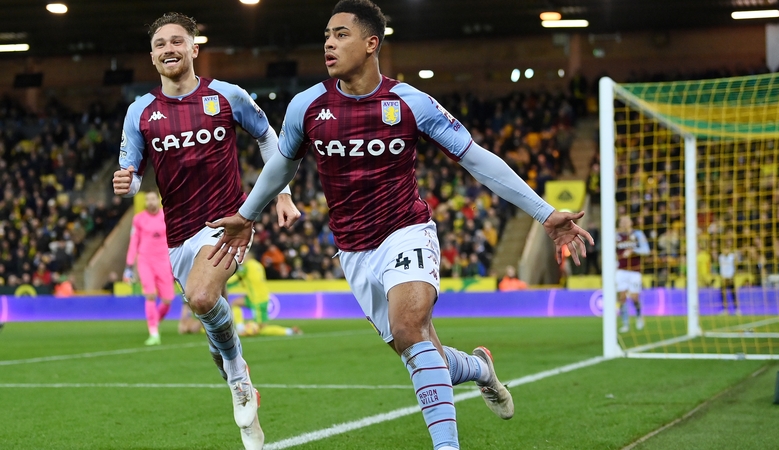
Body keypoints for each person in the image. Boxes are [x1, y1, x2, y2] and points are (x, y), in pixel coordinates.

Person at [206, 1, 593, 449]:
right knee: (424, 355)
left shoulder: (411, 103)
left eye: (342, 34)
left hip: (405, 230)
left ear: (372, 44)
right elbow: (282, 167)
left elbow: (476, 159)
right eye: (327, 35)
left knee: (410, 328)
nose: (329, 43)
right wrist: (247, 213)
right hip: (353, 251)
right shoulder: (306, 106)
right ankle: (481, 368)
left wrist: (544, 212)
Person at [111, 12, 300, 450]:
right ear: (153, 56)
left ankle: (238, 379)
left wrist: (282, 194)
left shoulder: (225, 96)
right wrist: (127, 183)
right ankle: (239, 380)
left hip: (227, 223)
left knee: (200, 296)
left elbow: (270, 138)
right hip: (178, 235)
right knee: (209, 319)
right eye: (160, 44)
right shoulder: (140, 111)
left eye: (177, 41)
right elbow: (133, 174)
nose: (168, 49)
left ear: (195, 49)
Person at [124, 190, 175, 346]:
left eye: (153, 199)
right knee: (150, 295)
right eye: (148, 199)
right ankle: (153, 332)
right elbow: (134, 242)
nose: (150, 202)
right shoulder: (139, 219)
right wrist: (129, 265)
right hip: (145, 260)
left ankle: (155, 321)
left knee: (167, 300)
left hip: (164, 261)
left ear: (158, 200)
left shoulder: (166, 216)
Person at [226, 252, 302, 337]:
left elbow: (236, 278)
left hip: (257, 299)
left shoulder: (248, 266)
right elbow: (248, 280)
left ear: (248, 256)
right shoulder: (258, 265)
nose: (241, 259)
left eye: (242, 256)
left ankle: (290, 331)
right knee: (235, 303)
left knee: (262, 328)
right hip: (257, 297)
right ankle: (240, 328)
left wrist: (223, 282)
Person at [616, 215, 651, 332]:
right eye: (622, 221)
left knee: (635, 297)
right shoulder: (616, 235)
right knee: (622, 296)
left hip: (635, 271)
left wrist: (633, 251)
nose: (625, 223)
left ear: (631, 222)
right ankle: (625, 323)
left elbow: (646, 251)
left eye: (627, 220)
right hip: (621, 270)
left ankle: (639, 316)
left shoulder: (638, 234)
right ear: (619, 223)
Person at [718, 240, 740, 315]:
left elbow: (735, 266)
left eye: (727, 249)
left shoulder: (732, 257)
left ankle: (737, 309)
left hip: (730, 277)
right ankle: (725, 310)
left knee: (733, 294)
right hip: (724, 277)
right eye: (724, 249)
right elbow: (721, 268)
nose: (726, 250)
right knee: (723, 294)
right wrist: (722, 277)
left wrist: (732, 276)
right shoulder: (720, 257)